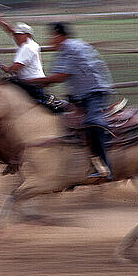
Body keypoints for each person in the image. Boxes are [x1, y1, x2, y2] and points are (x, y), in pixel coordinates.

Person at [27, 22, 114, 180]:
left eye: (52, 36)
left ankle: (104, 165)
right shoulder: (62, 52)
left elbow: (60, 77)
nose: (50, 39)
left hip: (95, 92)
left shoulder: (73, 48)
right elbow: (51, 79)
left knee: (93, 121)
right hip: (80, 95)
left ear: (60, 36)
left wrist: (30, 81)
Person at [0, 15, 46, 102]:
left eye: (18, 35)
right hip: (33, 83)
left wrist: (5, 68)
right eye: (15, 35)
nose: (15, 37)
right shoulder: (28, 43)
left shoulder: (27, 48)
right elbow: (10, 30)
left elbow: (14, 69)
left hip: (30, 84)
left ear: (27, 35)